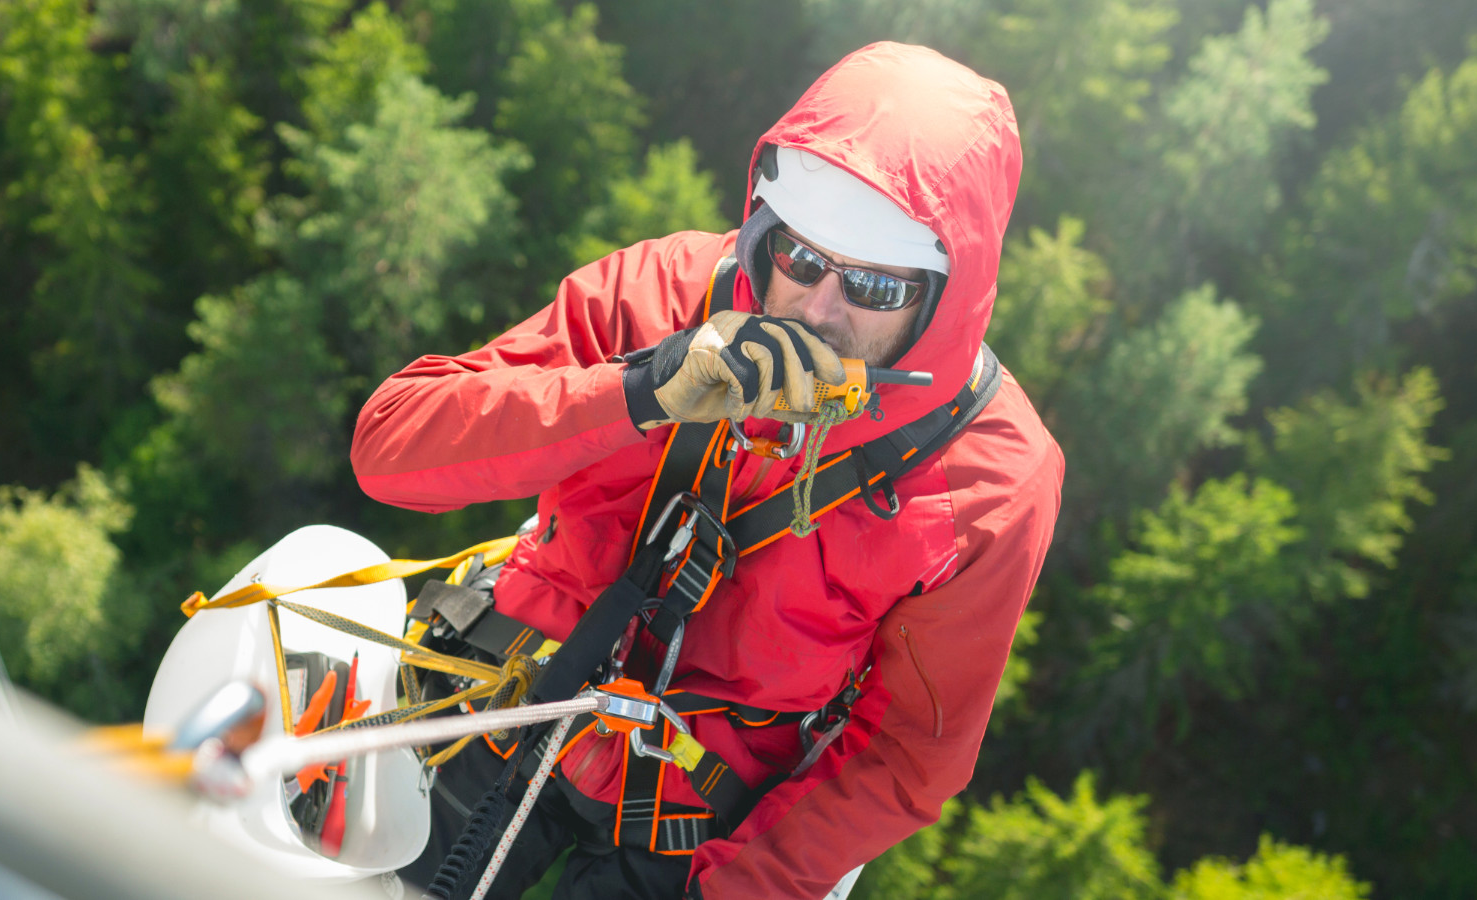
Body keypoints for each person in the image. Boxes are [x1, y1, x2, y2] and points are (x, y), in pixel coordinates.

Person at [351, 42, 1062, 900]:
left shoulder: (991, 480)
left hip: (695, 823)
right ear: (765, 228)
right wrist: (641, 389)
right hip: (510, 696)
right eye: (798, 258)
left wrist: (737, 888)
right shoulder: (669, 292)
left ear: (947, 292)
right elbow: (390, 448)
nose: (817, 311)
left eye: (874, 289)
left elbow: (907, 749)